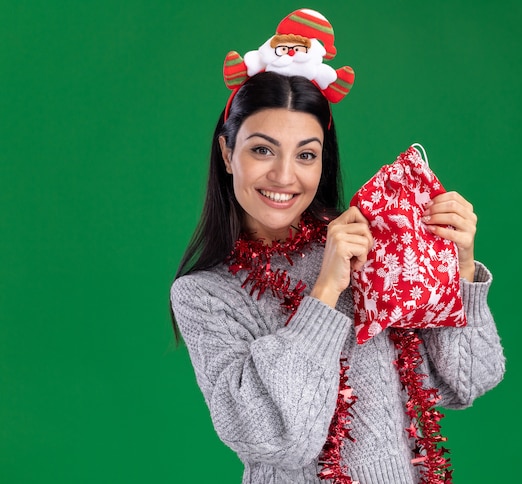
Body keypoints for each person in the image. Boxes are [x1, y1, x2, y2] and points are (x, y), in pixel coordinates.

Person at [171, 10, 504, 484]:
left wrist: (460, 269)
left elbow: (469, 381)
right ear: (227, 154)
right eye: (262, 149)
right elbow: (280, 440)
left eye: (306, 154)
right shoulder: (204, 295)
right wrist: (326, 290)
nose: (285, 176)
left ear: (322, 162)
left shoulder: (368, 243)